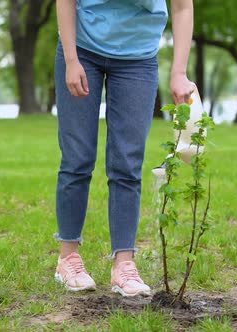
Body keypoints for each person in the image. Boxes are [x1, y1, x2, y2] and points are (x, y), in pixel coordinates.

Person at [53, 0, 194, 296]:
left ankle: (124, 265)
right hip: (82, 49)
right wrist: (70, 59)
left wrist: (179, 71)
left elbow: (182, 6)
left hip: (138, 57)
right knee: (77, 158)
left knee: (127, 162)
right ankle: (68, 258)